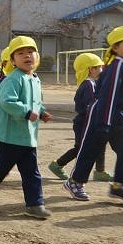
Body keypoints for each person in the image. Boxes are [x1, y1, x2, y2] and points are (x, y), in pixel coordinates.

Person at [0, 36, 53, 219]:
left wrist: (41, 112)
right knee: (1, 169)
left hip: (28, 137)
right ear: (13, 60)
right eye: (21, 53)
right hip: (10, 136)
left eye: (30, 52)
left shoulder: (35, 79)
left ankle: (34, 204)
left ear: (37, 56)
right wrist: (27, 112)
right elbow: (7, 102)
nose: (27, 56)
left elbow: (36, 102)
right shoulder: (13, 79)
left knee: (31, 172)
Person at [64, 26, 123, 203]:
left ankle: (119, 186)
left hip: (120, 118)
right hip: (101, 116)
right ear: (115, 48)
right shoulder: (116, 67)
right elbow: (109, 96)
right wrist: (104, 123)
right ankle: (75, 182)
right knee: (90, 150)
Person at [48, 53, 112, 181]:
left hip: (90, 121)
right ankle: (58, 164)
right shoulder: (88, 84)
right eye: (99, 67)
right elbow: (92, 105)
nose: (102, 70)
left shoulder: (91, 83)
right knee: (81, 148)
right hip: (84, 122)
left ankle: (100, 171)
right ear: (90, 69)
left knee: (100, 143)